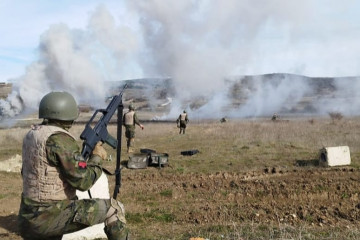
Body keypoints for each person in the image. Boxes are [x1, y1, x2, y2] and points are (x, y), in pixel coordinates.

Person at [18, 91, 129, 240]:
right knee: (114, 209)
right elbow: (84, 182)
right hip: (49, 217)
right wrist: (96, 157)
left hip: (27, 216)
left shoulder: (32, 135)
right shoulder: (59, 139)